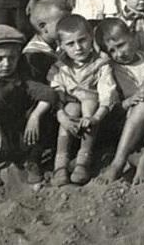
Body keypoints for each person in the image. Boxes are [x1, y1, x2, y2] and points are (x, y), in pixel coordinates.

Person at [0, 25, 57, 187]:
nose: (6, 64)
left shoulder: (23, 82)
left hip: (17, 140)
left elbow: (49, 94)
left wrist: (35, 116)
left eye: (11, 58)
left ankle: (33, 161)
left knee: (43, 112)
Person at [93, 19, 144, 185]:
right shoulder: (111, 69)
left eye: (121, 45)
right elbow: (109, 107)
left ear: (133, 37)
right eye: (112, 51)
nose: (119, 54)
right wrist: (127, 102)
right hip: (125, 123)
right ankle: (117, 163)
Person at [48, 15, 117, 185]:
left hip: (98, 118)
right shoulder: (60, 68)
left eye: (82, 41)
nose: (78, 48)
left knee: (88, 101)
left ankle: (83, 162)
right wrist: (61, 116)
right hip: (69, 118)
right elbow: (55, 94)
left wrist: (95, 118)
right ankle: (61, 165)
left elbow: (107, 94)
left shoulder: (101, 64)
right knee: (71, 108)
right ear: (61, 46)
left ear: (91, 38)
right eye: (70, 44)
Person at [23, 0, 72, 83]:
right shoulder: (32, 58)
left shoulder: (59, 46)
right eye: (62, 23)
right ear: (43, 27)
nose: (68, 26)